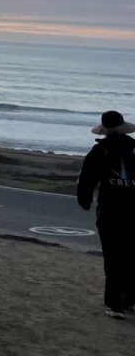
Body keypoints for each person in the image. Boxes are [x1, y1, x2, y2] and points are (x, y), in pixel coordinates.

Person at [78, 110, 135, 318]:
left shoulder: (99, 151)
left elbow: (86, 180)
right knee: (131, 255)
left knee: (113, 257)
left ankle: (115, 304)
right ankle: (130, 299)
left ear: (105, 130)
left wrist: (84, 201)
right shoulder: (134, 149)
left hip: (110, 209)